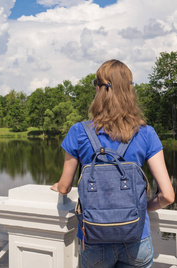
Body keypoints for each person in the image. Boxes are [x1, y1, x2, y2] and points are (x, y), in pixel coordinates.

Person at [51, 59, 175, 268]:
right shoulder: (146, 133)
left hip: (94, 239)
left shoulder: (79, 132)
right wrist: (142, 207)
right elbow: (168, 196)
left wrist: (58, 186)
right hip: (136, 238)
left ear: (99, 89)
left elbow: (64, 187)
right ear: (129, 90)